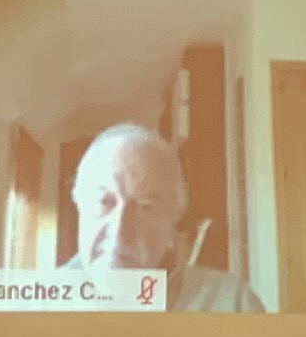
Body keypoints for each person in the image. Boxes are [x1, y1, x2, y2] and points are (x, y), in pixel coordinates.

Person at [64, 124, 262, 312]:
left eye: (145, 207)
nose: (119, 232)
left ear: (175, 216)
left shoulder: (231, 305)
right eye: (104, 202)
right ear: (78, 203)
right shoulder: (45, 305)